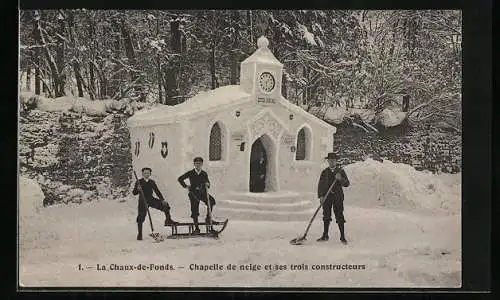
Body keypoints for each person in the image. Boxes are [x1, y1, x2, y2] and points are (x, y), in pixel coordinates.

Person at [133, 167, 178, 240]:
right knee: (141, 217)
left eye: (148, 173)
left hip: (151, 199)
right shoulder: (139, 182)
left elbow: (157, 191)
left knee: (166, 205)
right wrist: (138, 189)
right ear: (142, 174)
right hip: (142, 201)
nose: (146, 174)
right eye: (145, 173)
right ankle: (140, 234)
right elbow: (134, 193)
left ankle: (168, 220)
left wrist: (162, 200)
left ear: (150, 174)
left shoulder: (152, 182)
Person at [316, 152, 350, 243]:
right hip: (327, 197)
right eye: (330, 160)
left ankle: (342, 237)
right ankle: (325, 235)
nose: (331, 162)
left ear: (336, 161)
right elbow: (321, 185)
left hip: (338, 197)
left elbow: (347, 183)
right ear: (328, 161)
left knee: (339, 215)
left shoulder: (340, 171)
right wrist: (321, 196)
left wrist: (340, 179)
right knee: (326, 215)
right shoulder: (325, 172)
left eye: (333, 161)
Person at [177, 157, 217, 233]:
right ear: (194, 164)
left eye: (199, 163)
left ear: (202, 164)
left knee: (211, 201)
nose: (198, 165)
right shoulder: (190, 173)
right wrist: (186, 186)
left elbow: (208, 183)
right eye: (196, 163)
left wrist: (207, 184)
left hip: (202, 192)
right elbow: (180, 179)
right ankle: (196, 228)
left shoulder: (204, 173)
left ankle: (208, 219)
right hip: (193, 193)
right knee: (195, 209)